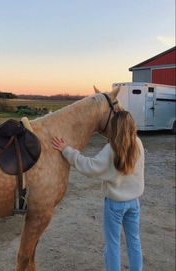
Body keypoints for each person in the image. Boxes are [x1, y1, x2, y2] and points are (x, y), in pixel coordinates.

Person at [52, 110, 144, 271]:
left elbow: (90, 166)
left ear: (114, 128)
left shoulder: (111, 149)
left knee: (113, 245)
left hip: (115, 205)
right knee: (134, 241)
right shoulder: (139, 144)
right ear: (131, 126)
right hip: (134, 203)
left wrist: (66, 150)